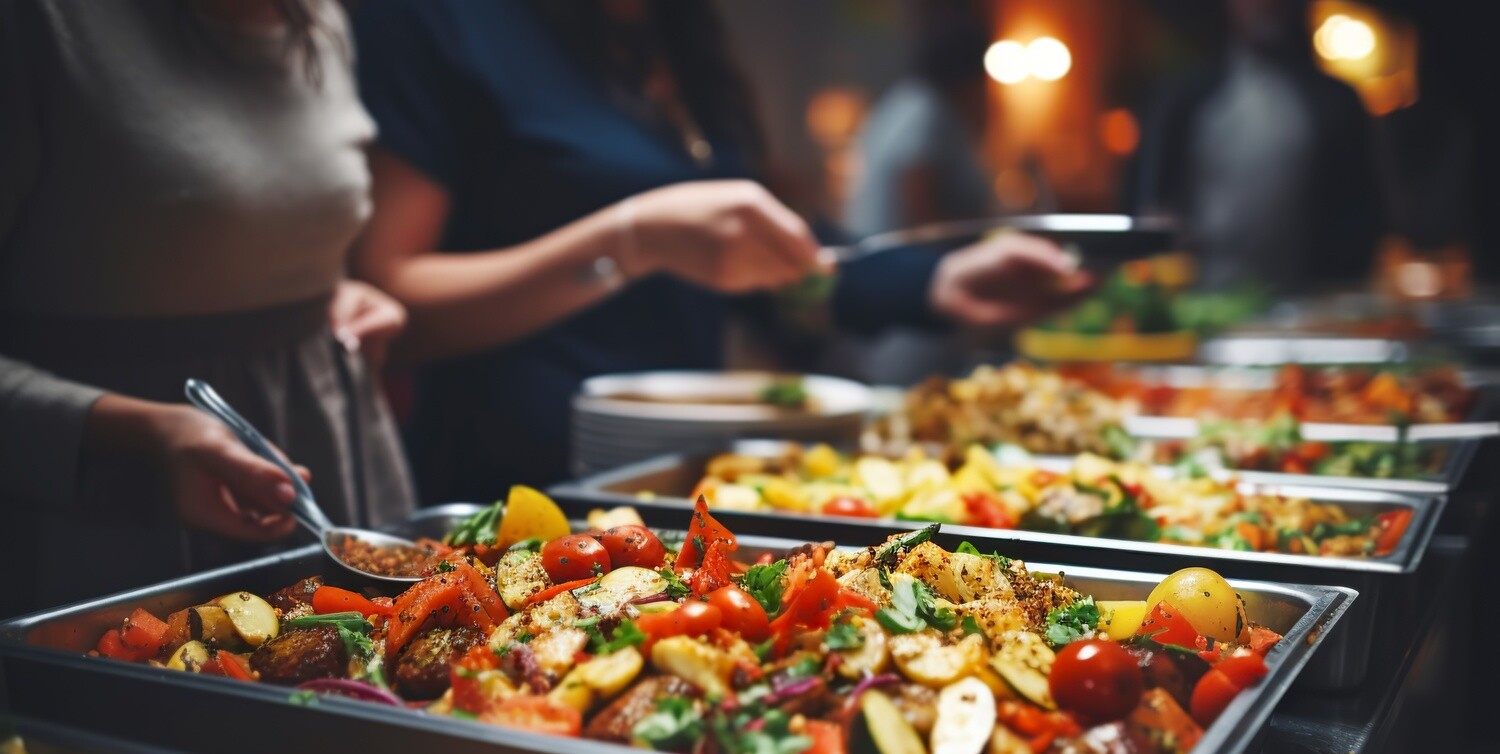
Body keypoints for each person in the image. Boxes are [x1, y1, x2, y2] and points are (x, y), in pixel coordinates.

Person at [351, 0, 1086, 498]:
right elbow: (392, 296)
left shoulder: (673, 33)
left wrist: (936, 279)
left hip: (684, 484)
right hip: (511, 482)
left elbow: (768, 256)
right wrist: (631, 240)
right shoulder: (439, 20)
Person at [0, 0, 415, 616]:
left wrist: (329, 288)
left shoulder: (320, 14)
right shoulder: (39, 23)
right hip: (110, 512)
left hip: (337, 456)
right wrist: (140, 429)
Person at [1131, 0, 1381, 292]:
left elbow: (1363, 221)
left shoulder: (1337, 103)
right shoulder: (1186, 98)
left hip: (1309, 309)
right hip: (1202, 302)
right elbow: (1147, 202)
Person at [844, 11, 996, 239]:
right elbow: (917, 212)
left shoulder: (907, 101)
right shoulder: (928, 113)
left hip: (883, 253)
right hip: (901, 262)